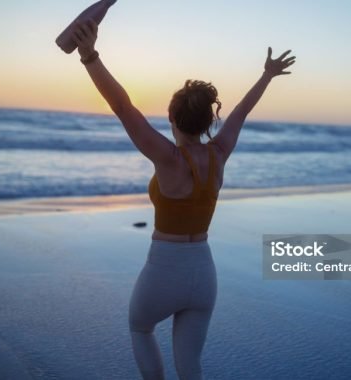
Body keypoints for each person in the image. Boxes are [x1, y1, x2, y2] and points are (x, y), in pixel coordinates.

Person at [70, 8, 295, 379]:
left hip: (165, 267)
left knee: (140, 329)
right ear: (209, 122)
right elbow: (241, 111)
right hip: (204, 273)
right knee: (190, 367)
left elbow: (123, 107)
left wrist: (90, 56)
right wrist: (267, 75)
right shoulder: (219, 153)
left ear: (171, 119)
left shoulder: (167, 157)